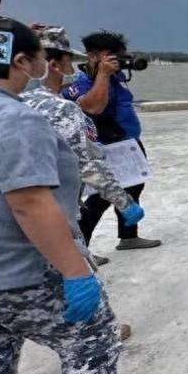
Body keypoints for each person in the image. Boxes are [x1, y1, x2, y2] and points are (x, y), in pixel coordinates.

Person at [0, 16, 173, 374]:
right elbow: (29, 201)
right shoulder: (23, 112)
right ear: (24, 61)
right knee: (90, 340)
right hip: (22, 266)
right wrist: (75, 272)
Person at [22, 27, 143, 267]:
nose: (74, 65)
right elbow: (88, 162)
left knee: (128, 188)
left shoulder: (13, 101)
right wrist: (123, 202)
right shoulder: (60, 105)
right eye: (70, 60)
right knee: (95, 203)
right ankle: (80, 253)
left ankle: (122, 238)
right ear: (54, 64)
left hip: (123, 145)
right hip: (59, 196)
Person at [63, 30, 160, 251]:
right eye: (110, 56)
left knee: (134, 189)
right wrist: (103, 75)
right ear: (94, 55)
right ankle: (81, 251)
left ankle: (128, 237)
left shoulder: (116, 77)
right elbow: (92, 106)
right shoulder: (80, 82)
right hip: (104, 147)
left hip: (128, 142)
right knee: (100, 199)